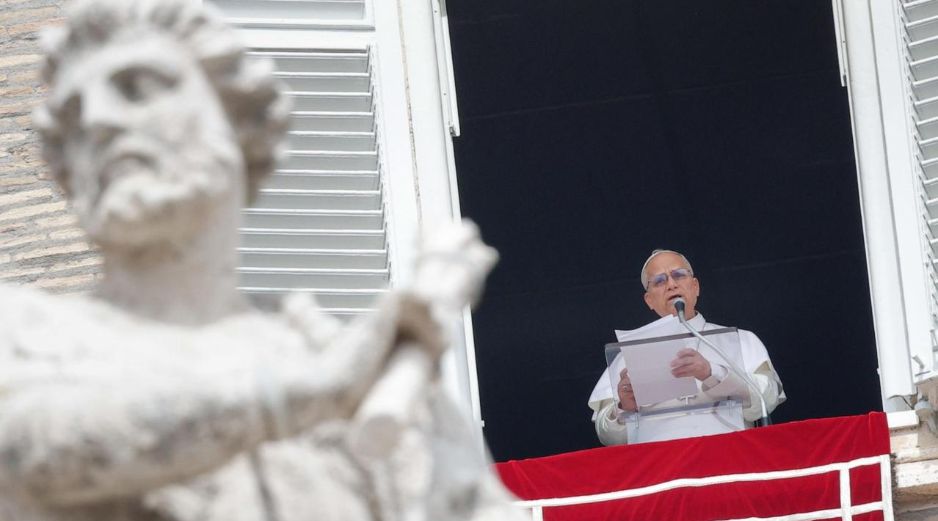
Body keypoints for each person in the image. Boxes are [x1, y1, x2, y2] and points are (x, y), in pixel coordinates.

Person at [0, 1, 523, 520]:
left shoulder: (384, 389)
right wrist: (308, 392)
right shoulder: (23, 335)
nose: (97, 121)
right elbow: (26, 444)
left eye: (138, 87)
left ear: (237, 122)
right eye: (71, 117)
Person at [588, 249, 785, 446]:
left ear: (695, 286)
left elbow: (765, 401)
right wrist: (624, 408)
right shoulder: (627, 357)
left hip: (728, 456)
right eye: (659, 281)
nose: (671, 285)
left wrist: (713, 373)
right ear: (649, 300)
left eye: (679, 275)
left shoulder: (740, 339)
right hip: (660, 466)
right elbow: (609, 438)